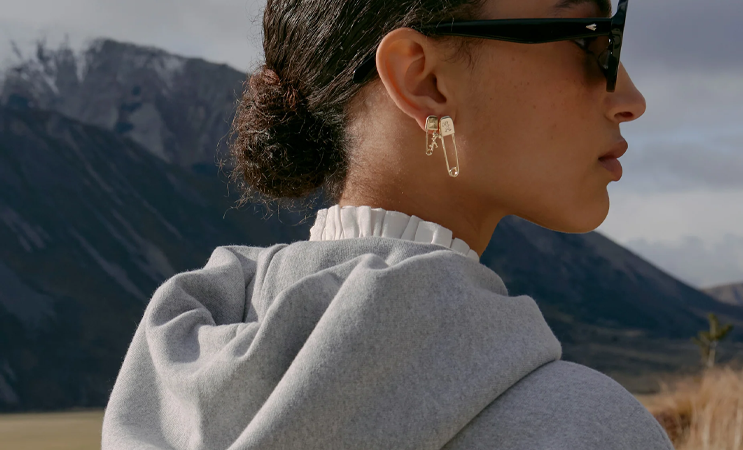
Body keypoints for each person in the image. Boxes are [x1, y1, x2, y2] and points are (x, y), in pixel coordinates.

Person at [102, 0, 675, 448]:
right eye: (589, 37)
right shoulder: (585, 429)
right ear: (424, 80)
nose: (630, 97)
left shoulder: (162, 399)